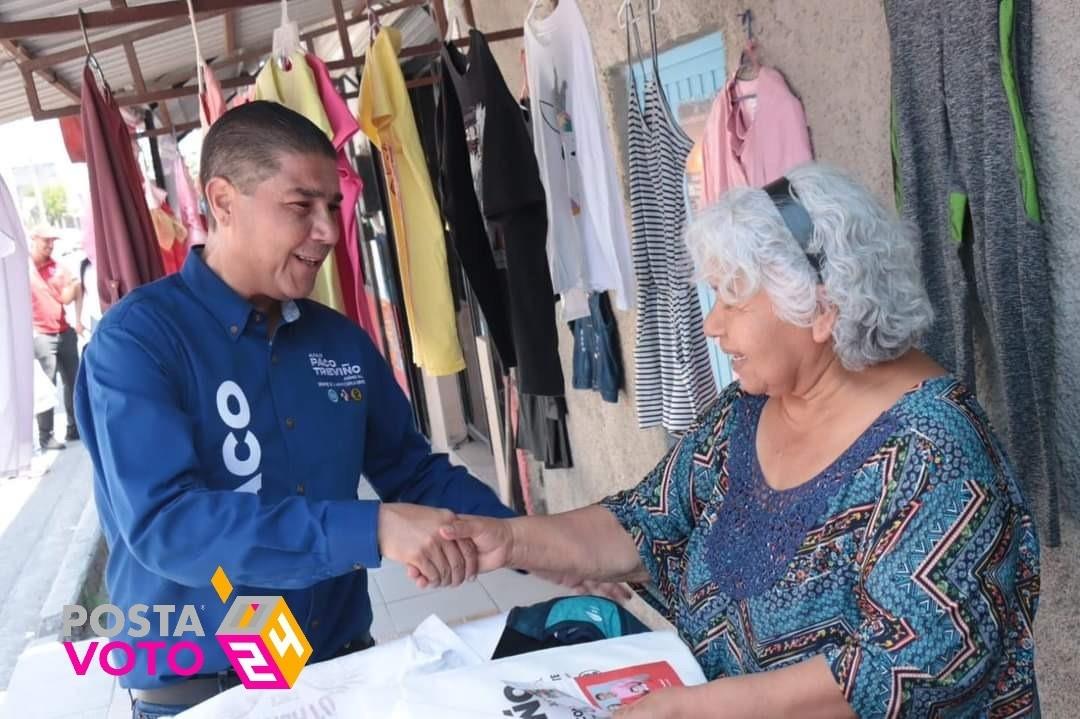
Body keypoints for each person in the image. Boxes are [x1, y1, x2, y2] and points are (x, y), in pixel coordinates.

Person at [441, 164, 1041, 718]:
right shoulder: (746, 412)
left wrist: (695, 707)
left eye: (734, 295)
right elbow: (645, 523)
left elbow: (910, 667)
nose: (713, 322)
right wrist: (508, 539)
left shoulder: (936, 454)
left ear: (822, 305)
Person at [74, 101, 514, 718]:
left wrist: (529, 540)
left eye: (333, 205)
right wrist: (377, 528)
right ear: (223, 201)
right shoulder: (140, 341)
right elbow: (168, 525)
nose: (330, 230)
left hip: (340, 669)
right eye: (300, 206)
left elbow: (413, 472)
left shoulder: (338, 342)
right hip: (209, 692)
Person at [29, 225, 81, 450]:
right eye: (46, 241)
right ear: (34, 239)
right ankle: (46, 435)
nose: (50, 245)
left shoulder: (58, 268)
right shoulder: (24, 268)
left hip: (63, 330)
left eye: (53, 241)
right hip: (40, 334)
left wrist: (74, 286)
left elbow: (66, 298)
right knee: (46, 386)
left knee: (74, 381)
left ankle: (75, 427)